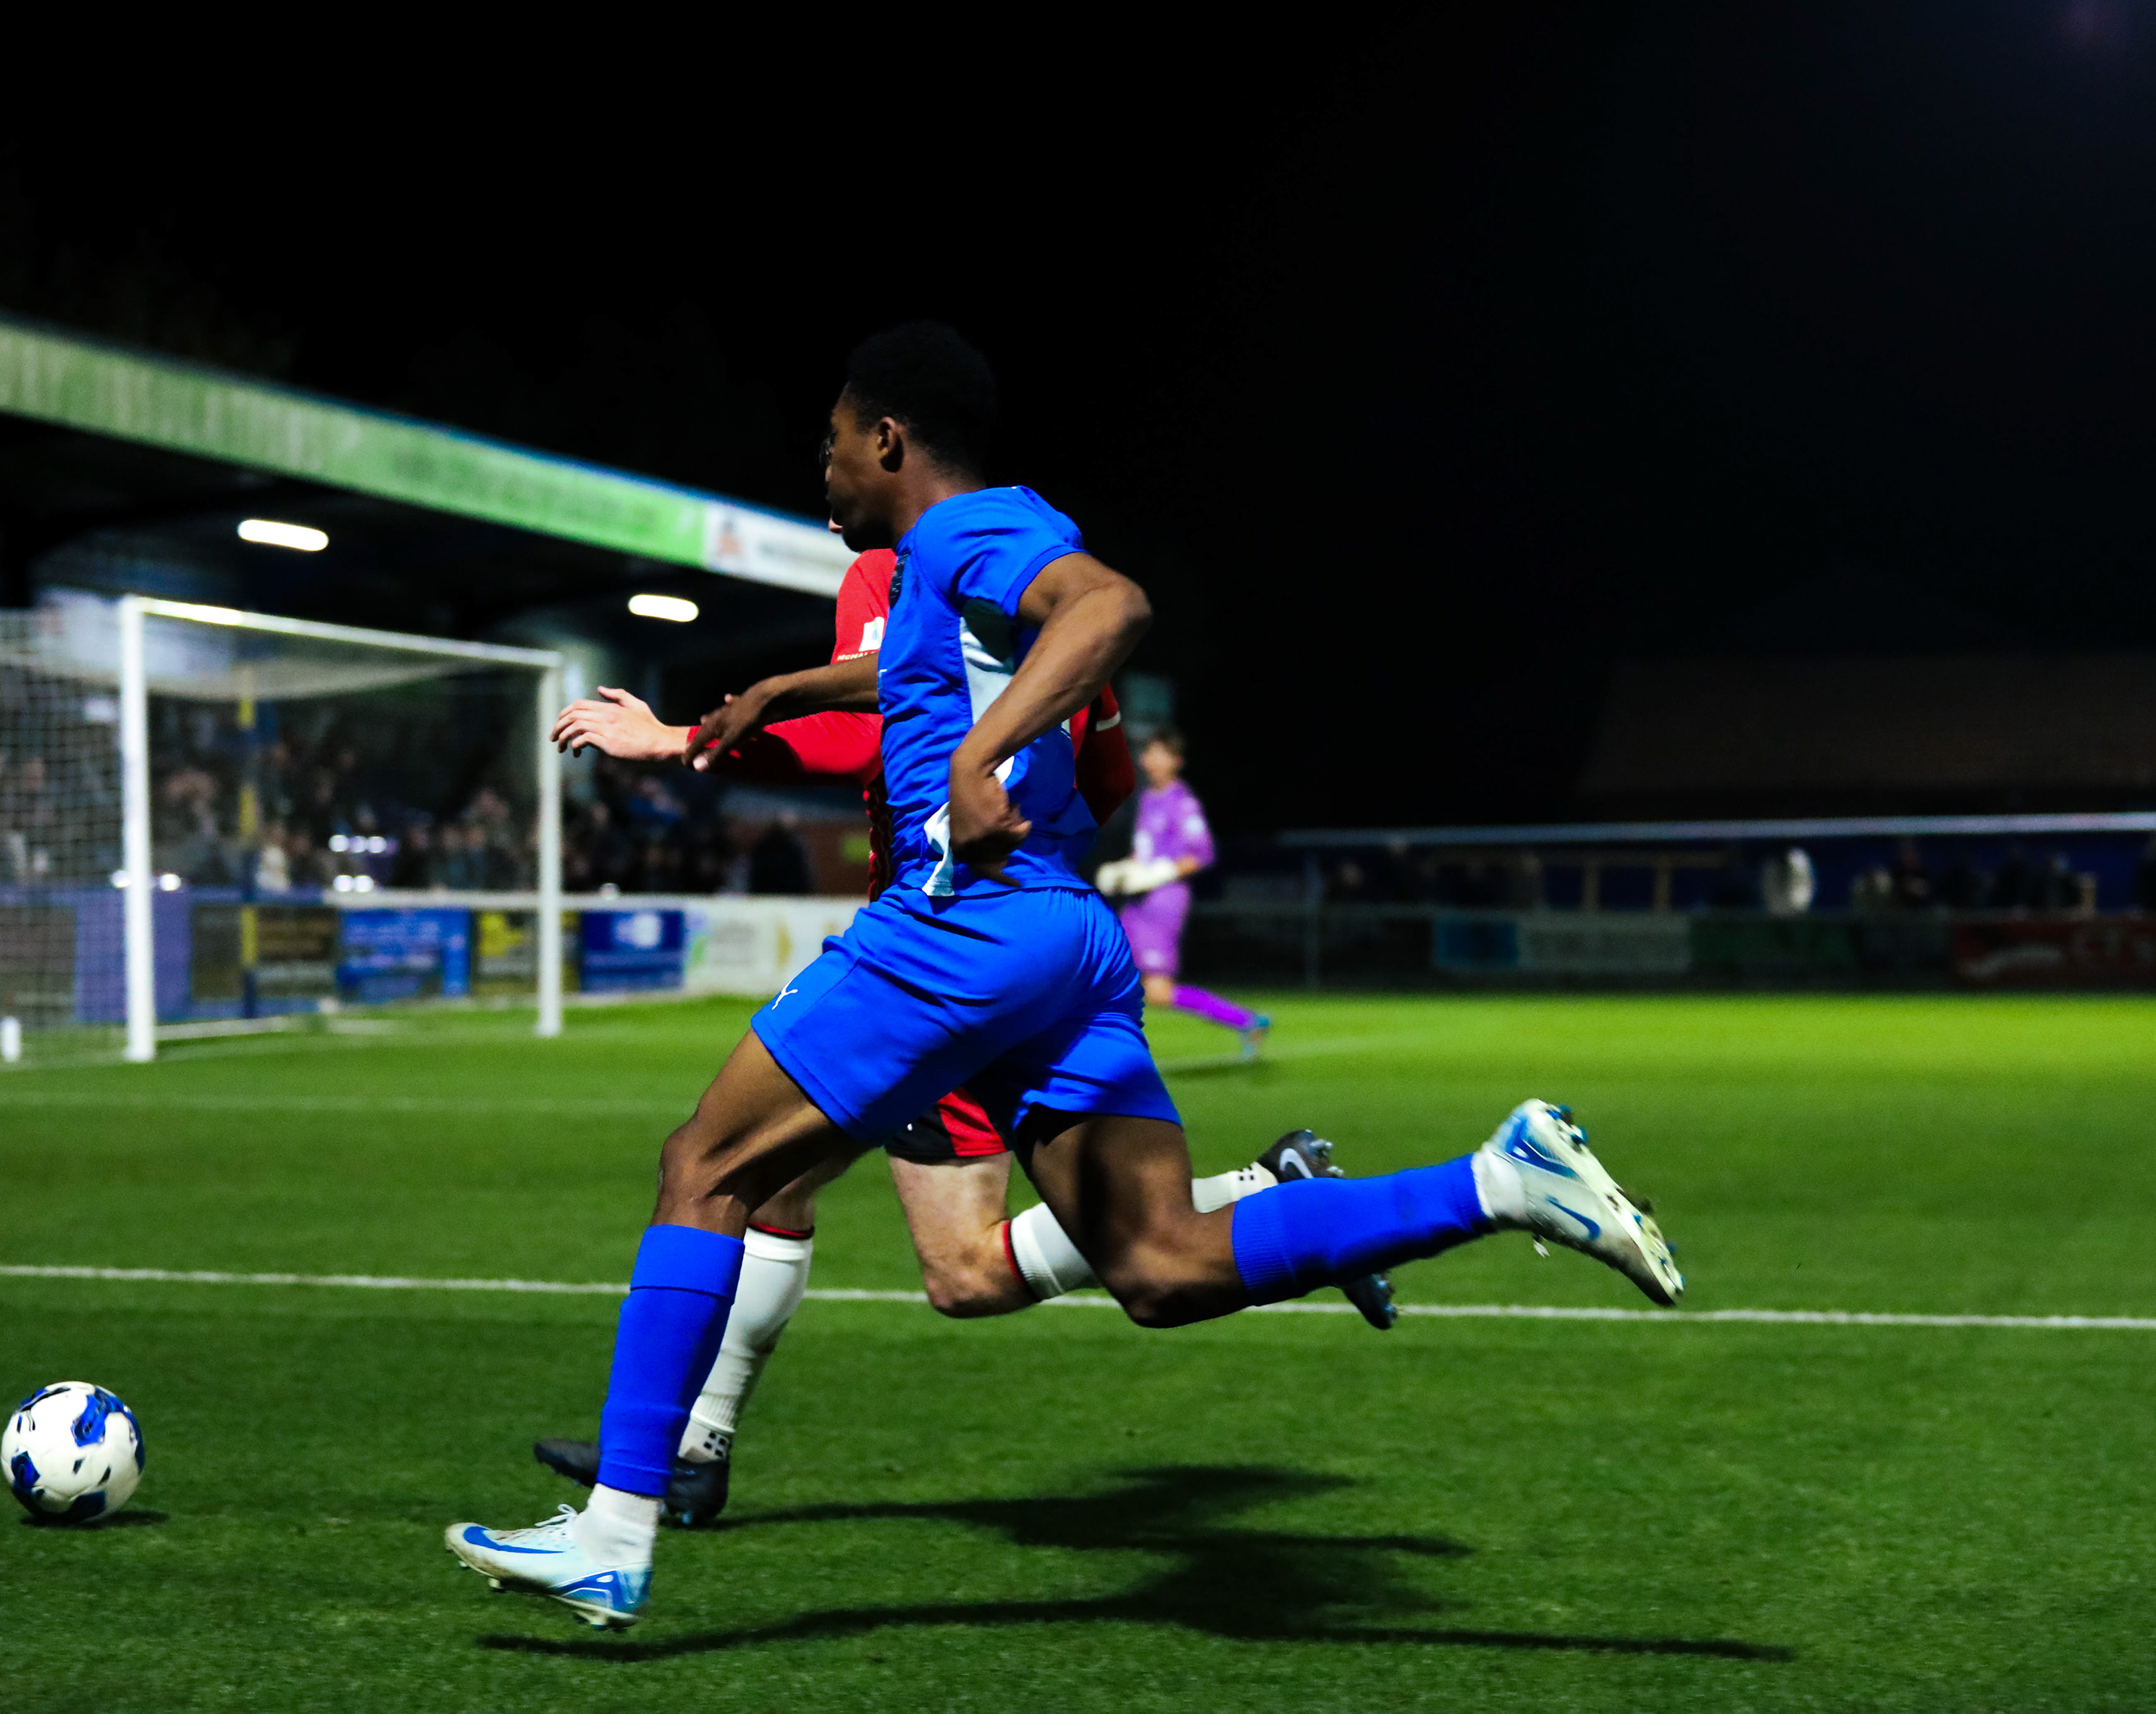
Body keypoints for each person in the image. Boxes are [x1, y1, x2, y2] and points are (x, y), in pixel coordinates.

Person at [446, 322, 1681, 1629]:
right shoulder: (952, 556)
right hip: (1064, 941)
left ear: (888, 441)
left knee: (709, 1168)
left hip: (956, 926)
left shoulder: (970, 528)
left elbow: (1112, 606)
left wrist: (976, 766)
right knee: (1158, 1265)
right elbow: (915, 667)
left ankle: (618, 1528)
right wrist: (771, 692)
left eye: (830, 444)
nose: (821, 470)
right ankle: (1504, 1179)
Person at [534, 525, 1393, 1534]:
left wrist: (684, 738)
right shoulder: (1048, 603)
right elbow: (1105, 778)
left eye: (839, 447)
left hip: (936, 950)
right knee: (886, 1233)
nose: (827, 490)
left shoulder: (899, 571)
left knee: (768, 1182)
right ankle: (691, 1448)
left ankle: (678, 1455)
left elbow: (870, 724)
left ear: (890, 448)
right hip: (1040, 936)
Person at [1094, 728, 1269, 1050]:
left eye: (1159, 753)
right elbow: (1145, 853)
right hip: (1137, 901)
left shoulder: (1182, 801)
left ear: (1176, 760)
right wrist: (1125, 870)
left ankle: (1246, 1020)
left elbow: (1201, 854)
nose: (1149, 760)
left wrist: (1160, 874)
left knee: (1157, 991)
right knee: (1108, 973)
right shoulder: (1148, 799)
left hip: (1163, 901)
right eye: (1148, 753)